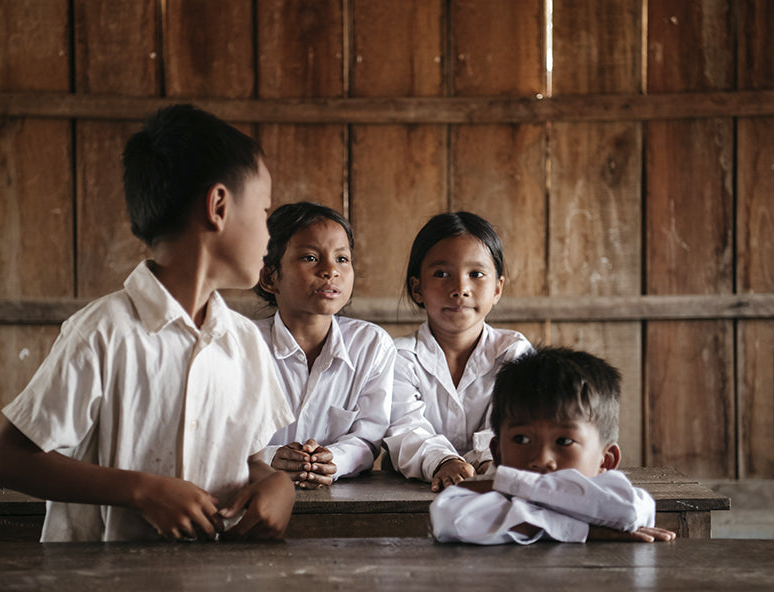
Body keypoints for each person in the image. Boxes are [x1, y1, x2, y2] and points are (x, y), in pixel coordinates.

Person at [0, 104, 296, 542]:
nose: (269, 236)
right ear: (218, 206)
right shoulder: (102, 333)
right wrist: (140, 490)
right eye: (264, 213)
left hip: (212, 587)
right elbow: (7, 459)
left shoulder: (243, 343)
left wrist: (278, 485)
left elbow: (252, 462)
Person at [430, 347, 677, 545]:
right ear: (497, 453)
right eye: (521, 439)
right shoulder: (495, 499)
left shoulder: (614, 493)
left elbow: (629, 514)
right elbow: (446, 516)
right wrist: (583, 530)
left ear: (607, 460)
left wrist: (515, 486)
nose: (541, 459)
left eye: (564, 441)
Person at [383, 212, 533, 492]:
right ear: (417, 288)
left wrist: (491, 462)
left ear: (497, 288)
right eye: (441, 274)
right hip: (410, 498)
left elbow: (517, 424)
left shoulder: (515, 353)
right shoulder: (398, 357)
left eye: (476, 274)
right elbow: (404, 428)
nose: (460, 288)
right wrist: (444, 462)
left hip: (500, 491)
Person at [254, 202, 395, 489]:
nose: (330, 270)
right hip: (254, 497)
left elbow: (368, 437)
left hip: (338, 501)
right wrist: (270, 459)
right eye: (309, 257)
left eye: (342, 259)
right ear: (270, 277)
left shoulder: (371, 345)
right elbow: (222, 439)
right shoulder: (242, 345)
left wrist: (333, 460)